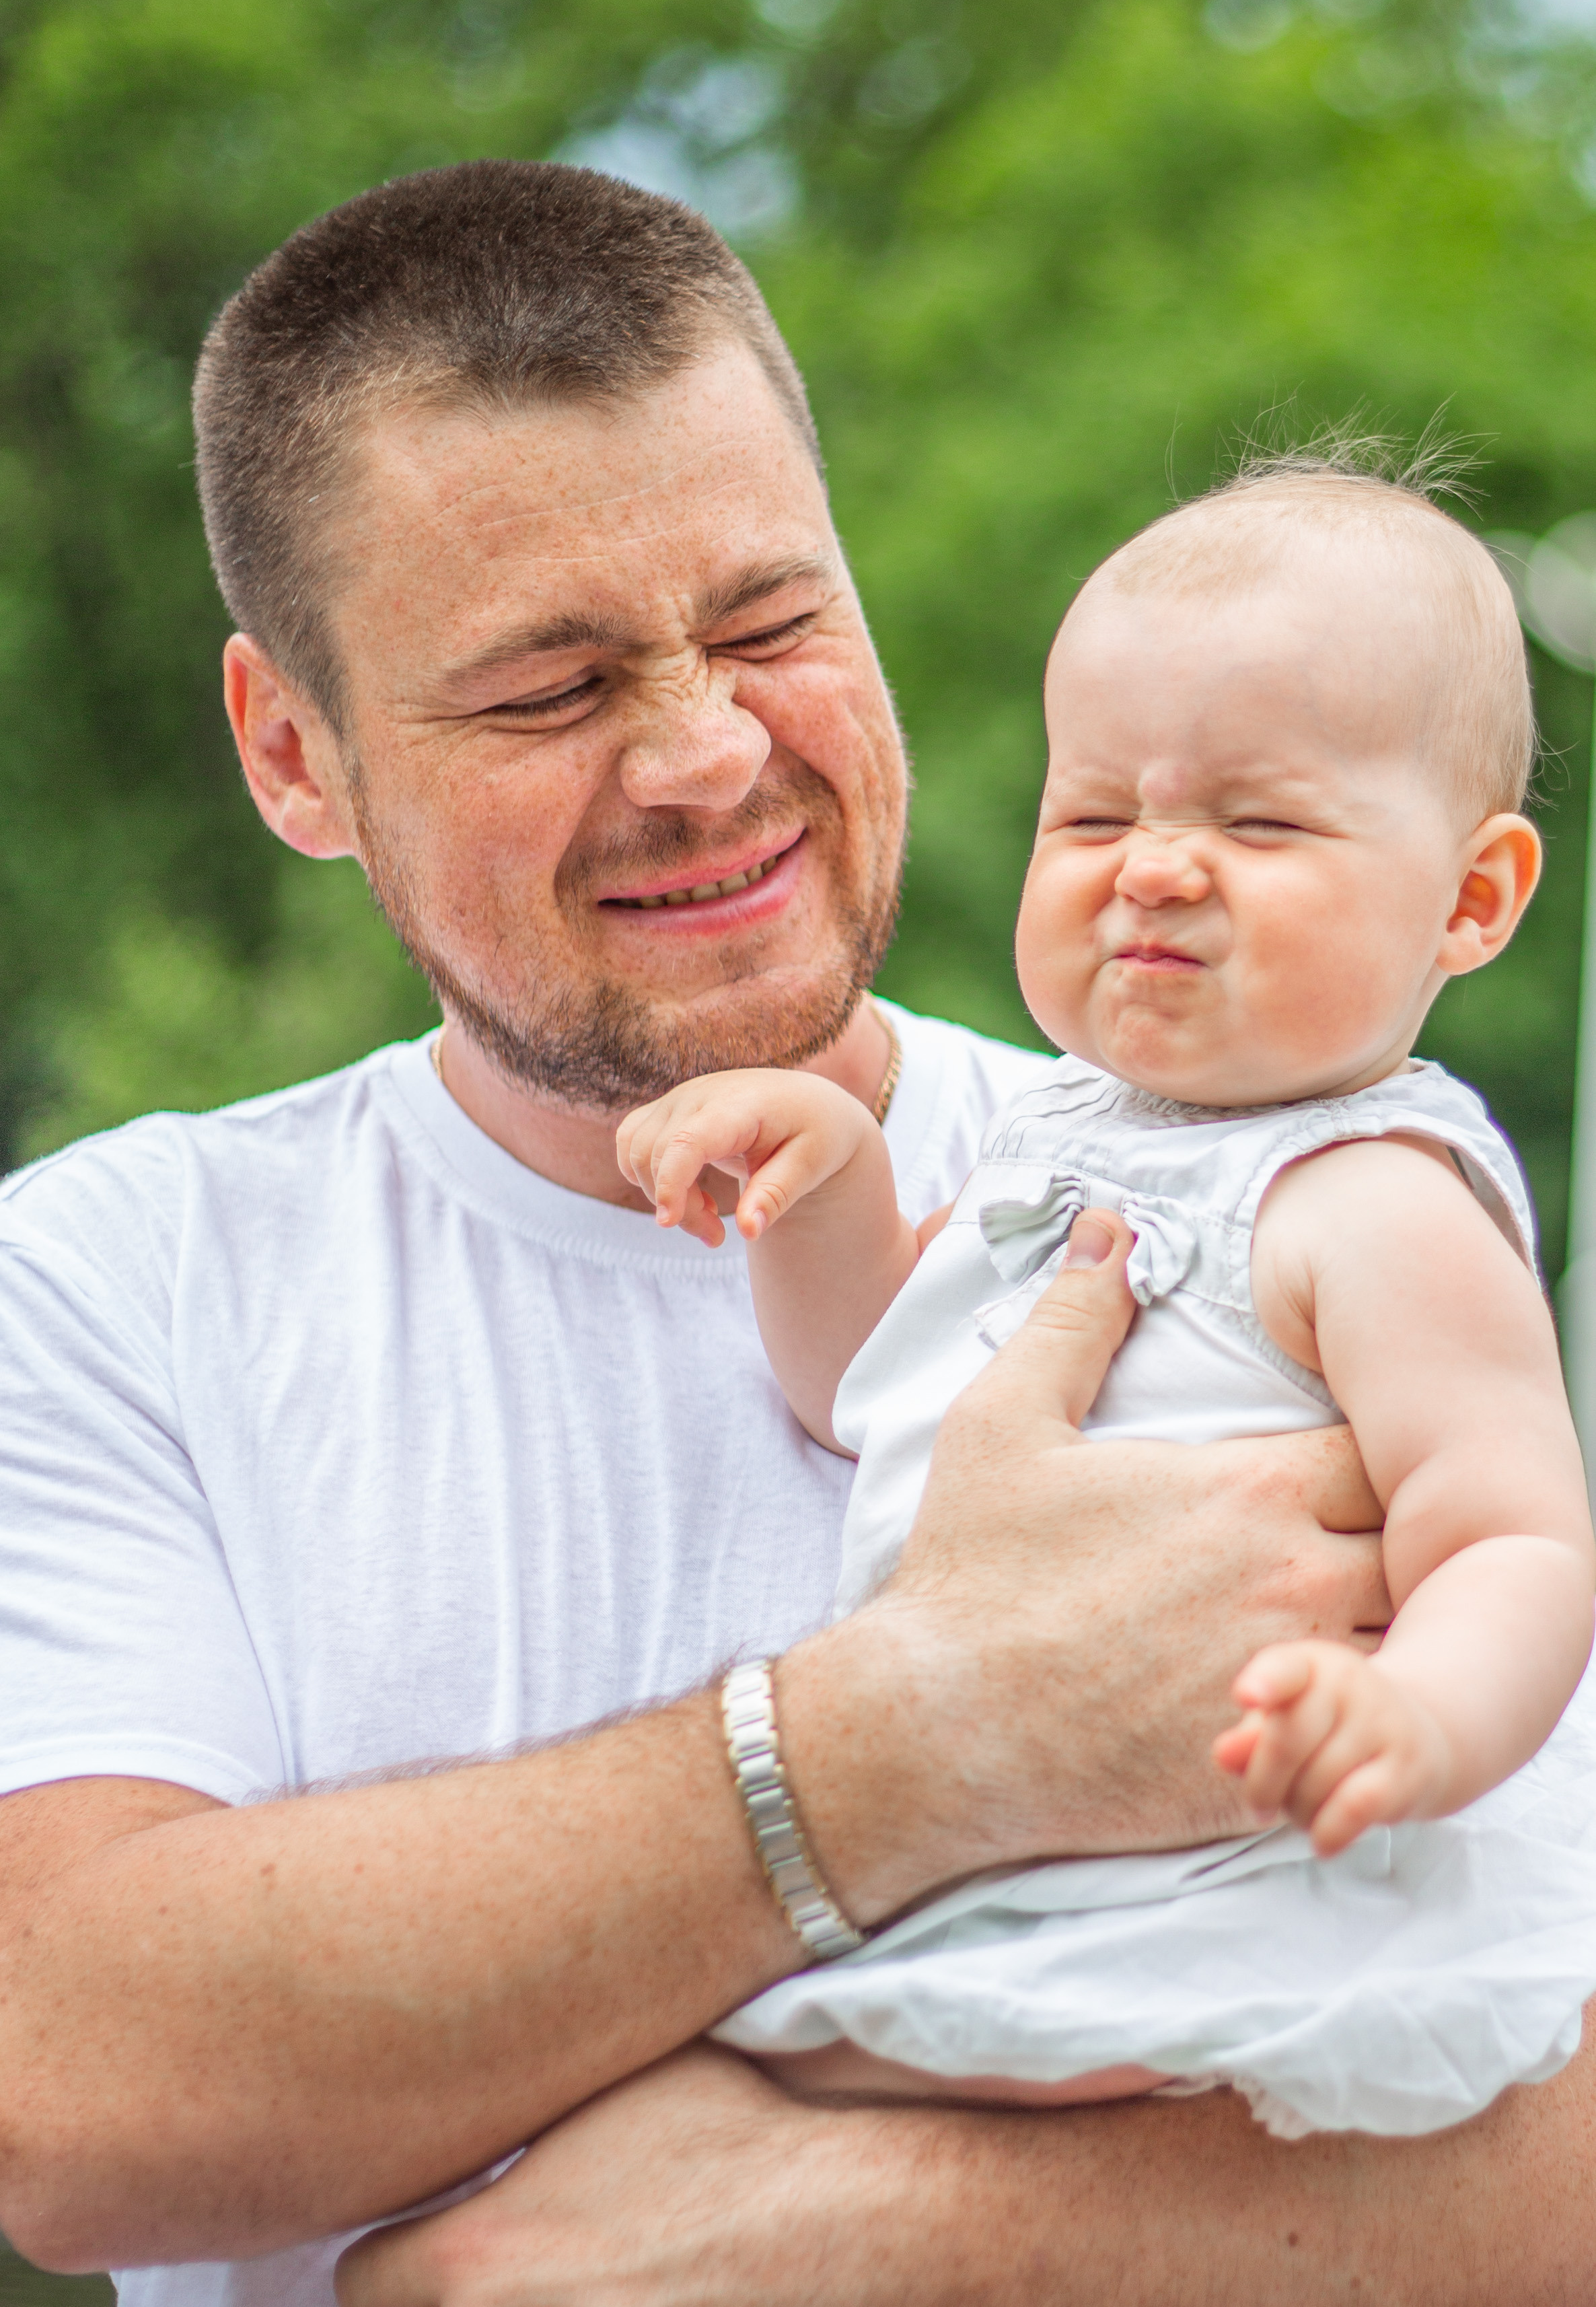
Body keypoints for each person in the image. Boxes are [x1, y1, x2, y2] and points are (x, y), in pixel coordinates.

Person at [0, 161, 1582, 2307]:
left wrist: (853, 2230)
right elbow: (69, 2089)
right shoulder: (106, 1284)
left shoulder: (1248, 1193)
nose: (705, 750)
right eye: (547, 688)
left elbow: (1533, 1996)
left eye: (769, 625)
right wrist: (916, 1728)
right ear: (296, 752)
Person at [622, 459, 1596, 2137]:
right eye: (1091, 817)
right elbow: (863, 1388)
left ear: (1470, 899)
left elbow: (1513, 1540)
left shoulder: (1373, 1203)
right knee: (747, 2091)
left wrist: (1414, 1719)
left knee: (793, 2114)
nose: (1150, 868)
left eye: (1257, 822)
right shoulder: (1057, 1135)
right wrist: (827, 1183)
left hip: (1237, 1860)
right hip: (990, 1828)